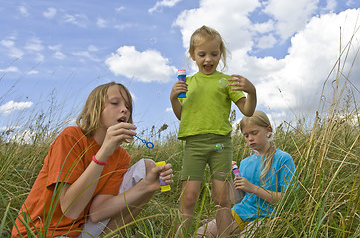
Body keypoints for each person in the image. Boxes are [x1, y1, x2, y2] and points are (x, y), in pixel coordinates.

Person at [12, 82, 173, 238]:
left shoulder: (121, 156)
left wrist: (145, 187)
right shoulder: (71, 137)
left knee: (148, 167)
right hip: (40, 232)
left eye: (128, 107)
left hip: (80, 230)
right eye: (115, 103)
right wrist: (103, 153)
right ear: (92, 110)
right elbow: (71, 209)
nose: (124, 109)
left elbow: (97, 213)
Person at [170, 25, 257, 237]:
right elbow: (182, 115)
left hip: (221, 144)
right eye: (202, 54)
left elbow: (248, 109)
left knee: (222, 199)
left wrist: (252, 90)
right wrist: (173, 98)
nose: (208, 59)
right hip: (194, 145)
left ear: (221, 55)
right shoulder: (187, 83)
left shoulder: (226, 81)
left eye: (214, 54)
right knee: (188, 196)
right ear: (193, 55)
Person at [196, 110, 296, 237]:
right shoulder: (244, 162)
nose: (250, 139)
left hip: (266, 217)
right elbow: (237, 200)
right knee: (201, 234)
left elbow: (288, 199)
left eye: (254, 133)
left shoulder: (282, 159)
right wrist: (226, 178)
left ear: (268, 130)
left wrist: (253, 188)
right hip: (240, 212)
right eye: (246, 135)